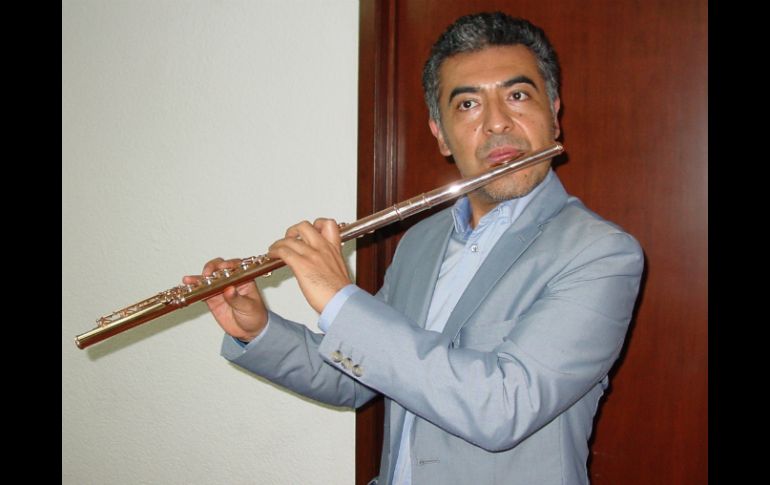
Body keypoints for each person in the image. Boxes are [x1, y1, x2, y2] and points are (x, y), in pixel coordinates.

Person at [185, 12, 643, 485]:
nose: (496, 123)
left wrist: (340, 300)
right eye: (468, 104)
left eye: (518, 96)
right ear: (440, 134)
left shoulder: (601, 254)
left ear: (554, 112)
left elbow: (502, 408)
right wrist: (258, 329)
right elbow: (356, 376)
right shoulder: (422, 241)